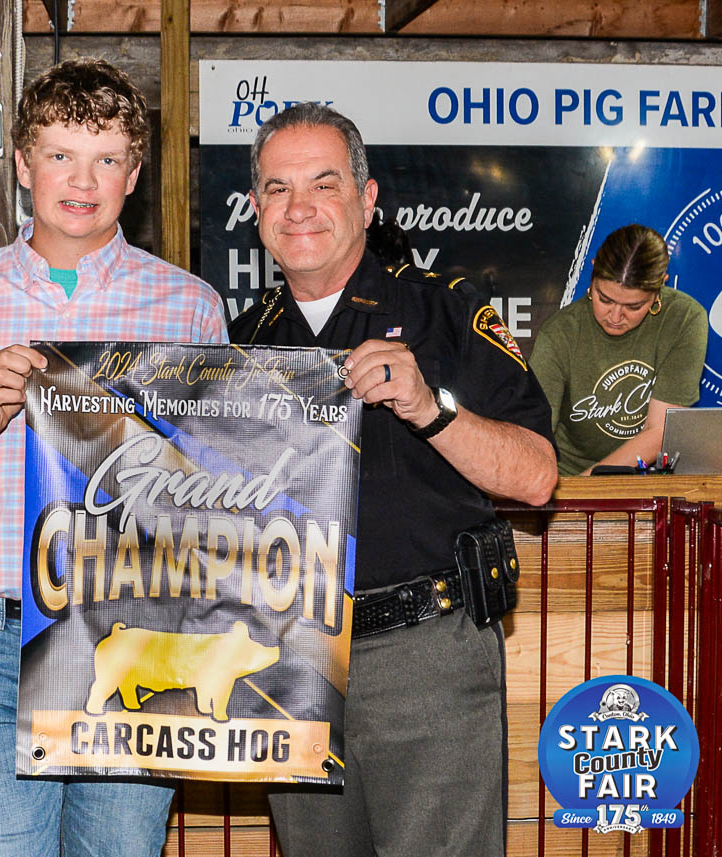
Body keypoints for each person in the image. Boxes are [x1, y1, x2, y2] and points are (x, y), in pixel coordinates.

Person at [0, 58, 227, 857]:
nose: (83, 180)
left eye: (106, 159)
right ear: (24, 165)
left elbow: (215, 497)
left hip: (138, 633)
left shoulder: (191, 308)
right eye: (61, 155)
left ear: (134, 175)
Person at [228, 103, 557, 857]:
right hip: (291, 661)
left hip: (424, 654)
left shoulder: (446, 311)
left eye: (324, 183)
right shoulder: (239, 342)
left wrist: (430, 407)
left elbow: (539, 477)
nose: (300, 207)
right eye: (278, 189)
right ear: (256, 209)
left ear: (367, 198)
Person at [530, 224, 708, 475]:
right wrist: (573, 490)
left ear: (660, 287)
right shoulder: (559, 334)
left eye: (633, 306)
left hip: (645, 477)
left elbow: (659, 430)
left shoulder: (685, 319)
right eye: (605, 299)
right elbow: (534, 438)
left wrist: (592, 484)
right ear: (592, 272)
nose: (615, 316)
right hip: (568, 478)